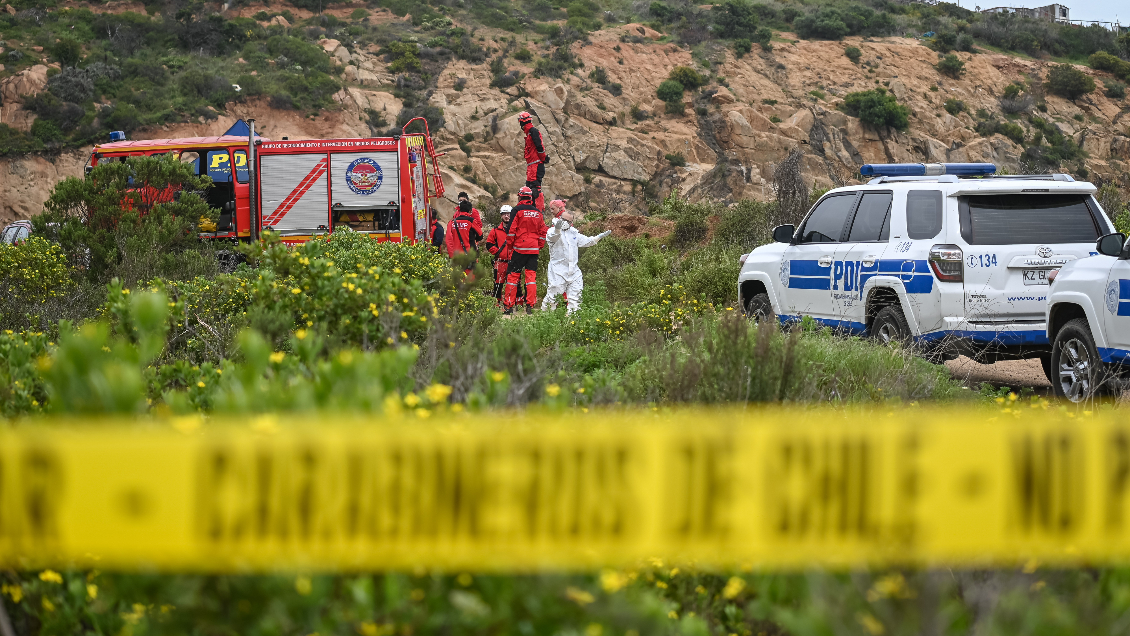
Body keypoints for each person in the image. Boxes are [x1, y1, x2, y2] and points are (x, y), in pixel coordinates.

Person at [542, 200, 610, 314]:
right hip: (558, 271)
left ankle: (572, 321)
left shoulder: (573, 233)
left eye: (568, 221)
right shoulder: (552, 231)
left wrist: (598, 237)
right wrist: (557, 229)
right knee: (552, 297)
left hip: (573, 271)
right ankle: (545, 317)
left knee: (575, 297)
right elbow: (552, 238)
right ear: (560, 218)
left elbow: (587, 241)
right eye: (563, 220)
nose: (565, 223)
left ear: (571, 222)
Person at [503, 187, 546, 315]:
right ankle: (529, 306)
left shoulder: (516, 210)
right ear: (531, 197)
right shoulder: (538, 212)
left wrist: (511, 247)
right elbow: (543, 231)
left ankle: (509, 307)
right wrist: (539, 245)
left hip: (519, 250)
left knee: (512, 277)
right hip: (533, 250)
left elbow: (511, 231)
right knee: (531, 278)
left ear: (520, 196)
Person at [518, 111, 550, 212]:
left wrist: (543, 158)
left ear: (522, 122)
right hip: (532, 166)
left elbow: (540, 147)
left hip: (536, 165)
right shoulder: (529, 133)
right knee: (529, 188)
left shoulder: (533, 132)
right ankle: (531, 209)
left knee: (535, 188)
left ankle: (538, 211)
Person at [484, 205, 513, 303]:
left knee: (514, 284)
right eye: (504, 214)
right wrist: (498, 253)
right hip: (500, 262)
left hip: (513, 262)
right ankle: (497, 302)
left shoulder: (516, 230)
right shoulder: (495, 230)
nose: (506, 216)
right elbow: (489, 244)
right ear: (501, 216)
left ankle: (513, 303)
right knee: (498, 284)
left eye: (508, 214)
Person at [445, 200, 483, 273]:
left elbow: (448, 241)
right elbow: (480, 235)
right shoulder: (471, 221)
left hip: (457, 257)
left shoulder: (452, 222)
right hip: (469, 256)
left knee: (458, 281)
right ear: (470, 210)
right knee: (470, 281)